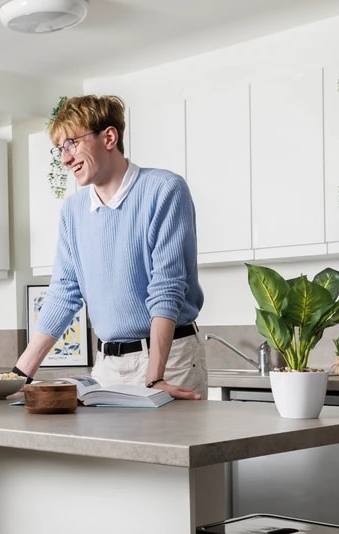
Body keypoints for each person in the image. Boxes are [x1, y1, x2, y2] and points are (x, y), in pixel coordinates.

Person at [15, 94, 207, 399]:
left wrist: (155, 377)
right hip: (106, 366)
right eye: (60, 149)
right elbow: (64, 292)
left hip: (169, 361)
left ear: (108, 137)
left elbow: (167, 287)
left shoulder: (163, 189)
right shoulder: (73, 211)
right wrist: (18, 376)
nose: (64, 159)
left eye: (72, 144)